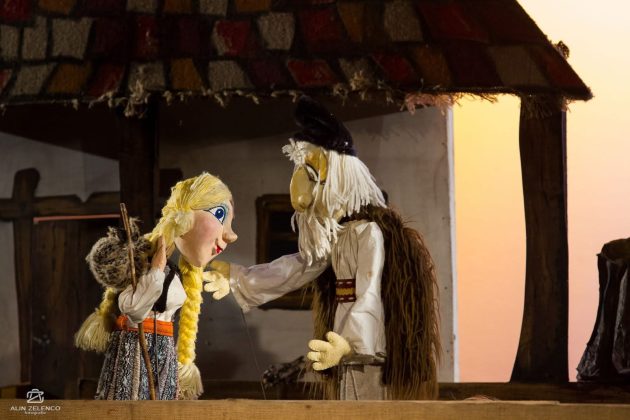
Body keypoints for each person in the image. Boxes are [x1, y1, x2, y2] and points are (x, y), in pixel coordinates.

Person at [205, 96, 440, 399]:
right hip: (342, 332)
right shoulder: (338, 236)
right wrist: (239, 278)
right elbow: (299, 267)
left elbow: (369, 292)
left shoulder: (368, 233)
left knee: (369, 404)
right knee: (348, 400)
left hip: (368, 339)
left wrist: (350, 342)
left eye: (315, 177)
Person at [75, 172, 237, 400]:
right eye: (219, 214)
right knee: (132, 404)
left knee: (162, 406)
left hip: (163, 350)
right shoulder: (144, 266)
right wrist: (156, 270)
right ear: (184, 217)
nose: (231, 235)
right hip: (135, 351)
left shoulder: (175, 273)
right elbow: (132, 308)